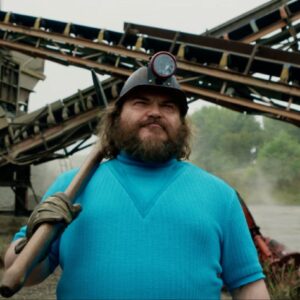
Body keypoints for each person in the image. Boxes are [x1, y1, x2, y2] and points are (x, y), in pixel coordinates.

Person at [4, 52, 270, 299]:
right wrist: (33, 238)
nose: (154, 112)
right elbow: (23, 275)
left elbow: (248, 284)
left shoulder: (219, 195)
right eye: (141, 102)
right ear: (117, 117)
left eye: (168, 106)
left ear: (182, 123)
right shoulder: (70, 188)